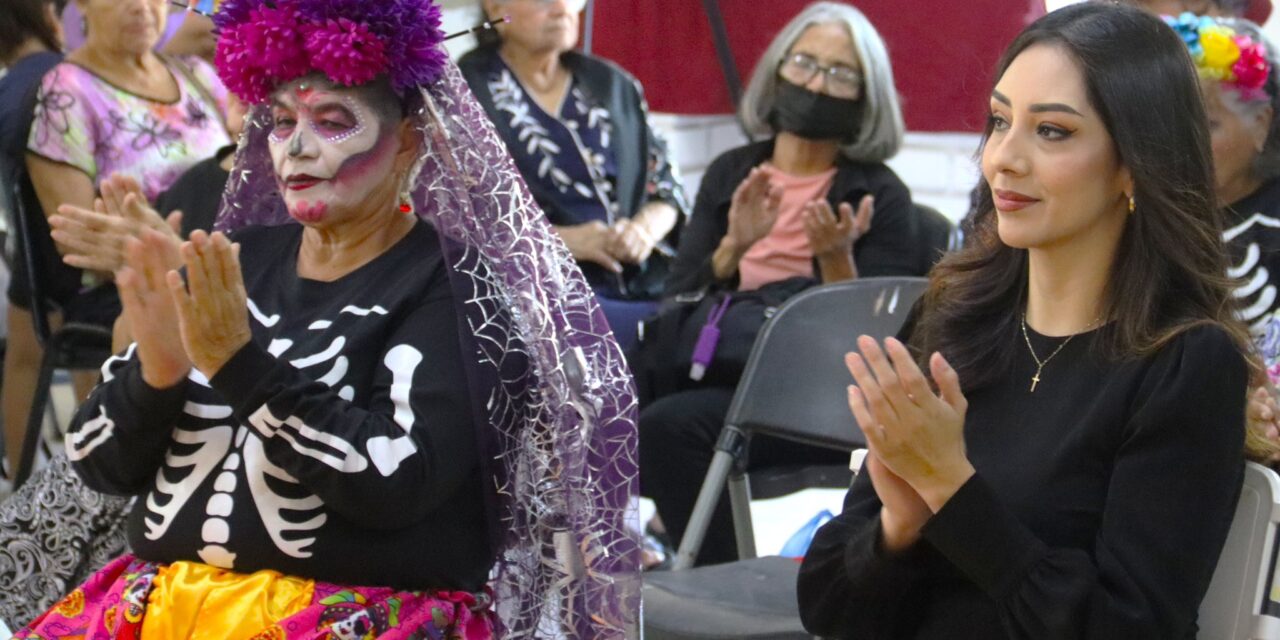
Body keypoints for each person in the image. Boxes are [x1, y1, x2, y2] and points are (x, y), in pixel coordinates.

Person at [13, 0, 641, 636]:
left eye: (334, 122)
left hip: (354, 617)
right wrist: (157, 372)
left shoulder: (456, 287)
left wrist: (237, 363)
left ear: (408, 143)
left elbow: (399, 482)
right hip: (158, 604)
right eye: (282, 122)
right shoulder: (235, 259)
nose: (297, 148)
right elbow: (99, 467)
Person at [797, 4, 1252, 638]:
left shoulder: (1186, 364)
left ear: (1135, 164)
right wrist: (896, 529)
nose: (1003, 158)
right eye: (1000, 120)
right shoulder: (951, 318)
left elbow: (1126, 627)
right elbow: (827, 609)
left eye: (1053, 131)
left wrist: (951, 490)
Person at [639, 1, 927, 566]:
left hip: (823, 394)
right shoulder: (732, 173)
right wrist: (734, 246)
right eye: (805, 64)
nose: (816, 84)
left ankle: (721, 577)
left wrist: (835, 262)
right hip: (721, 375)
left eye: (840, 73)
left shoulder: (880, 194)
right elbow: (677, 297)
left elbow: (886, 340)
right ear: (777, 70)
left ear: (866, 96)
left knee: (671, 428)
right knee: (632, 404)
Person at [6, 0, 232, 482]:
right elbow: (80, 239)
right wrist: (164, 251)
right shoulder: (64, 94)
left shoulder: (194, 74)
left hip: (221, 264)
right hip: (126, 286)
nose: (140, 7)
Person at [459, 0, 688, 350]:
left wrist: (642, 230)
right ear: (494, 8)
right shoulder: (464, 95)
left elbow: (667, 188)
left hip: (646, 276)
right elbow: (453, 218)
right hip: (541, 289)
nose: (562, 9)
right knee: (663, 339)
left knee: (716, 320)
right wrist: (563, 240)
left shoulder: (612, 84)